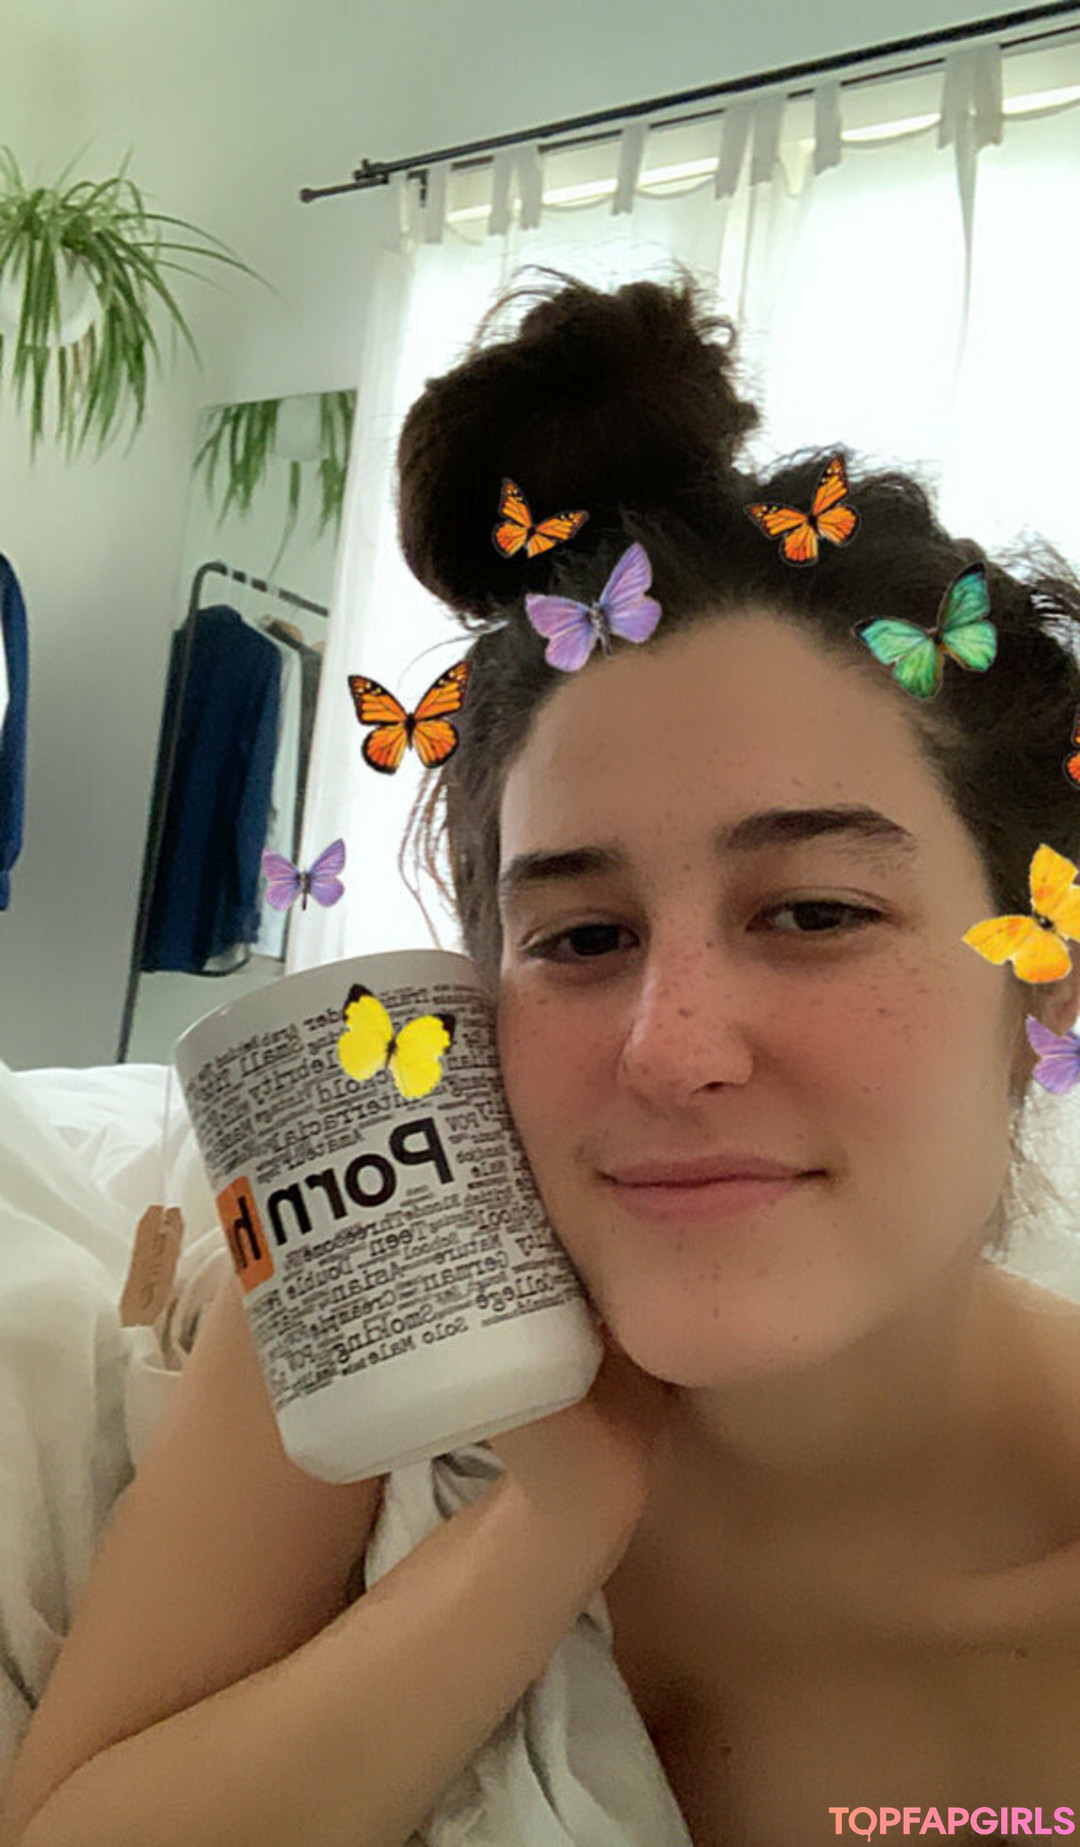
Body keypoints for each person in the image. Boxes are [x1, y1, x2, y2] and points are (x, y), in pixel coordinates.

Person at [2, 265, 1079, 1847]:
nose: (670, 1048)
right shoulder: (389, 1290)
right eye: (580, 938)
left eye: (816, 912)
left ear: (1044, 979)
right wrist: (547, 1527)